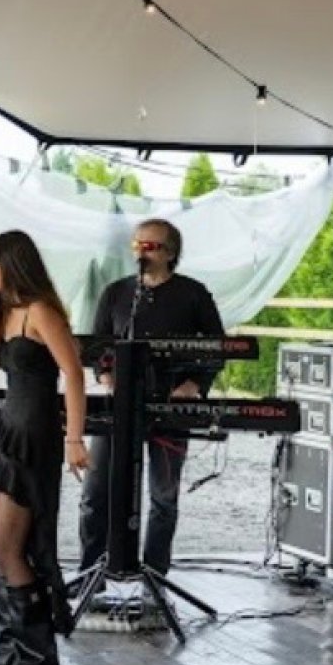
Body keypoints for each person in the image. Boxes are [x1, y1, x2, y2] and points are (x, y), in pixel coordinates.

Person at [0, 230, 88, 665]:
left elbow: (74, 374)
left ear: (12, 264)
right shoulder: (6, 313)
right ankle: (13, 653)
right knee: (0, 548)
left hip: (35, 435)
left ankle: (35, 659)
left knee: (14, 548)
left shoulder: (40, 311)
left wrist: (75, 438)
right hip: (8, 433)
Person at [77, 218, 226, 580]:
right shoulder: (117, 293)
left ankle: (155, 577)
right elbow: (96, 347)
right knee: (95, 493)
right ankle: (91, 573)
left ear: (171, 253)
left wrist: (194, 383)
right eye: (136, 245)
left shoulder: (193, 294)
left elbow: (218, 348)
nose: (140, 252)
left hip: (170, 408)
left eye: (150, 246)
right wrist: (106, 375)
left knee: (163, 496)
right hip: (119, 408)